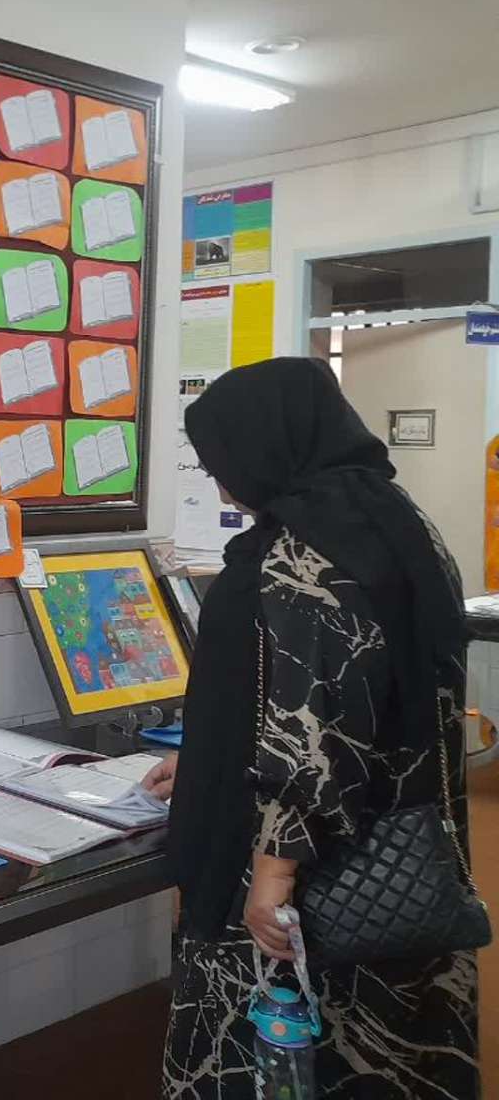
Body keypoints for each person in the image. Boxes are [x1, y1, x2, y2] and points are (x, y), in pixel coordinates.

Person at [145, 358, 478, 1099]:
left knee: (285, 1045)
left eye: (222, 461)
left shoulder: (306, 556)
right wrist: (206, 760)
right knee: (398, 1042)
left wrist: (273, 876)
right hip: (407, 846)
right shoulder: (395, 522)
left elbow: (316, 733)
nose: (220, 483)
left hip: (307, 864)